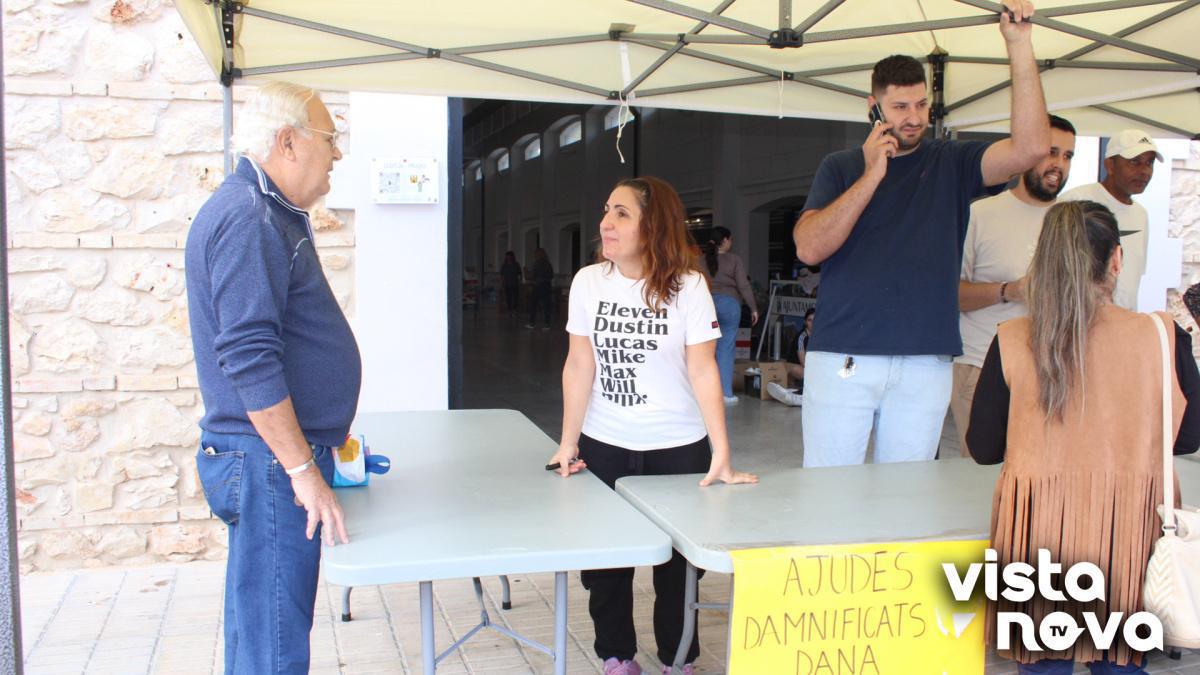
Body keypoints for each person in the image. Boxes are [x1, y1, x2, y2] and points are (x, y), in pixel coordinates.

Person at [791, 0, 1049, 468]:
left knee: (907, 504)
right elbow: (809, 247)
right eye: (900, 107)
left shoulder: (951, 161)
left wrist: (1019, 45)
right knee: (826, 499)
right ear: (873, 108)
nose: (914, 117)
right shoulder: (842, 166)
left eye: (922, 104)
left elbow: (1031, 148)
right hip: (844, 356)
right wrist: (872, 174)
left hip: (926, 360)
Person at [966, 200, 1200, 673]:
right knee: (1120, 664)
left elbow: (983, 448)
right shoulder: (1163, 336)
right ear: (1116, 259)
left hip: (1039, 537)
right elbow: (1189, 438)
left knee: (1043, 665)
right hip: (1128, 536)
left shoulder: (1012, 337)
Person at [548, 176, 758, 675]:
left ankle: (677, 659)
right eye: (606, 210)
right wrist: (567, 442)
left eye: (621, 213)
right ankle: (616, 657)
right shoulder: (588, 282)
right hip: (605, 447)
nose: (606, 222)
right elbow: (580, 365)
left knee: (679, 571)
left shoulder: (689, 287)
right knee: (606, 567)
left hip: (678, 448)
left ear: (653, 224)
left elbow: (705, 369)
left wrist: (720, 453)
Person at [185, 82, 357, 674]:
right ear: (288, 142)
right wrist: (303, 471)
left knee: (262, 631)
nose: (339, 155)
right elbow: (251, 357)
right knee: (274, 645)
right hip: (268, 462)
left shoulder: (266, 211)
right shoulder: (249, 216)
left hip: (268, 458)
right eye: (331, 141)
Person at [952, 115, 1077, 456]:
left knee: (1040, 482)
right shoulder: (980, 214)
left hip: (1053, 374)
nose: (1059, 165)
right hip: (982, 368)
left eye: (1067, 156)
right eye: (1051, 152)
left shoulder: (1073, 221)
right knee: (980, 483)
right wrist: (1011, 290)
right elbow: (949, 294)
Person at [1059, 128, 1161, 310]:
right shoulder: (1075, 202)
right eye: (1135, 162)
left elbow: (1133, 277)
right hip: (1079, 325)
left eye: (1149, 163)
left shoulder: (1141, 215)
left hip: (1123, 328)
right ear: (1110, 165)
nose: (1145, 171)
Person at [705, 226, 759, 405]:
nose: (732, 242)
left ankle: (704, 392)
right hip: (729, 307)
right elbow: (743, 285)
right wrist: (753, 308)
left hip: (706, 307)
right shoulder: (734, 260)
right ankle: (726, 393)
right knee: (726, 349)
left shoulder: (700, 260)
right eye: (731, 239)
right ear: (726, 240)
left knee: (704, 350)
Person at [767, 307, 814, 407]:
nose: (812, 323)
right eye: (810, 320)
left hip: (810, 367)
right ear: (805, 321)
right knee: (807, 372)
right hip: (793, 366)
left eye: (815, 320)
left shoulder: (818, 336)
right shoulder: (802, 336)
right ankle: (795, 392)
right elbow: (803, 361)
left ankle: (796, 392)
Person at [527, 247, 554, 329]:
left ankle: (532, 323)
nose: (535, 255)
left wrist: (528, 274)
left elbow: (533, 275)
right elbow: (551, 275)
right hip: (545, 285)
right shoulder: (547, 263)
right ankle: (546, 324)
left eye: (536, 253)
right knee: (545, 305)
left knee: (535, 304)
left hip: (540, 286)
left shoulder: (538, 263)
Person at [500, 250, 522, 314]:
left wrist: (520, 280)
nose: (509, 258)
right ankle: (509, 309)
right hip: (507, 284)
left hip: (515, 283)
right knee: (508, 297)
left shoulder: (516, 264)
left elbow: (520, 273)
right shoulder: (504, 265)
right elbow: (501, 274)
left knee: (515, 297)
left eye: (510, 256)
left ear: (512, 257)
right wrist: (501, 283)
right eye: (507, 256)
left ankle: (514, 309)